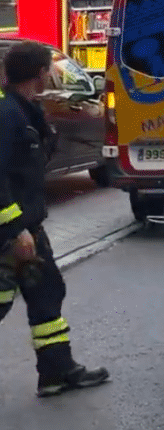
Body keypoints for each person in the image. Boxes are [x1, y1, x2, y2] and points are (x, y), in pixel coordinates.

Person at [0, 40, 109, 397]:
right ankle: (56, 371)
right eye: (49, 69)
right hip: (12, 229)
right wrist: (15, 229)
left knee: (47, 291)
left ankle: (57, 371)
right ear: (41, 72)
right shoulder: (7, 115)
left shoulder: (23, 109)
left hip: (26, 224)